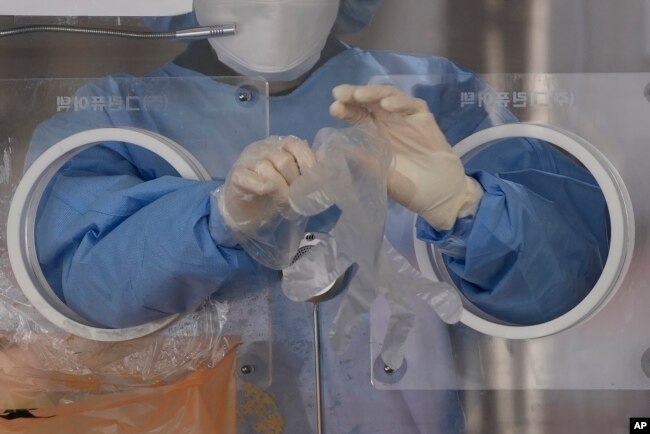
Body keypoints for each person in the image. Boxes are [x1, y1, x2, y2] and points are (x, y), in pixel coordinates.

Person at [25, 0, 609, 431]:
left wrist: (464, 207)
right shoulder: (120, 116)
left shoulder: (434, 96)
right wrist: (218, 215)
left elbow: (566, 288)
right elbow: (79, 287)